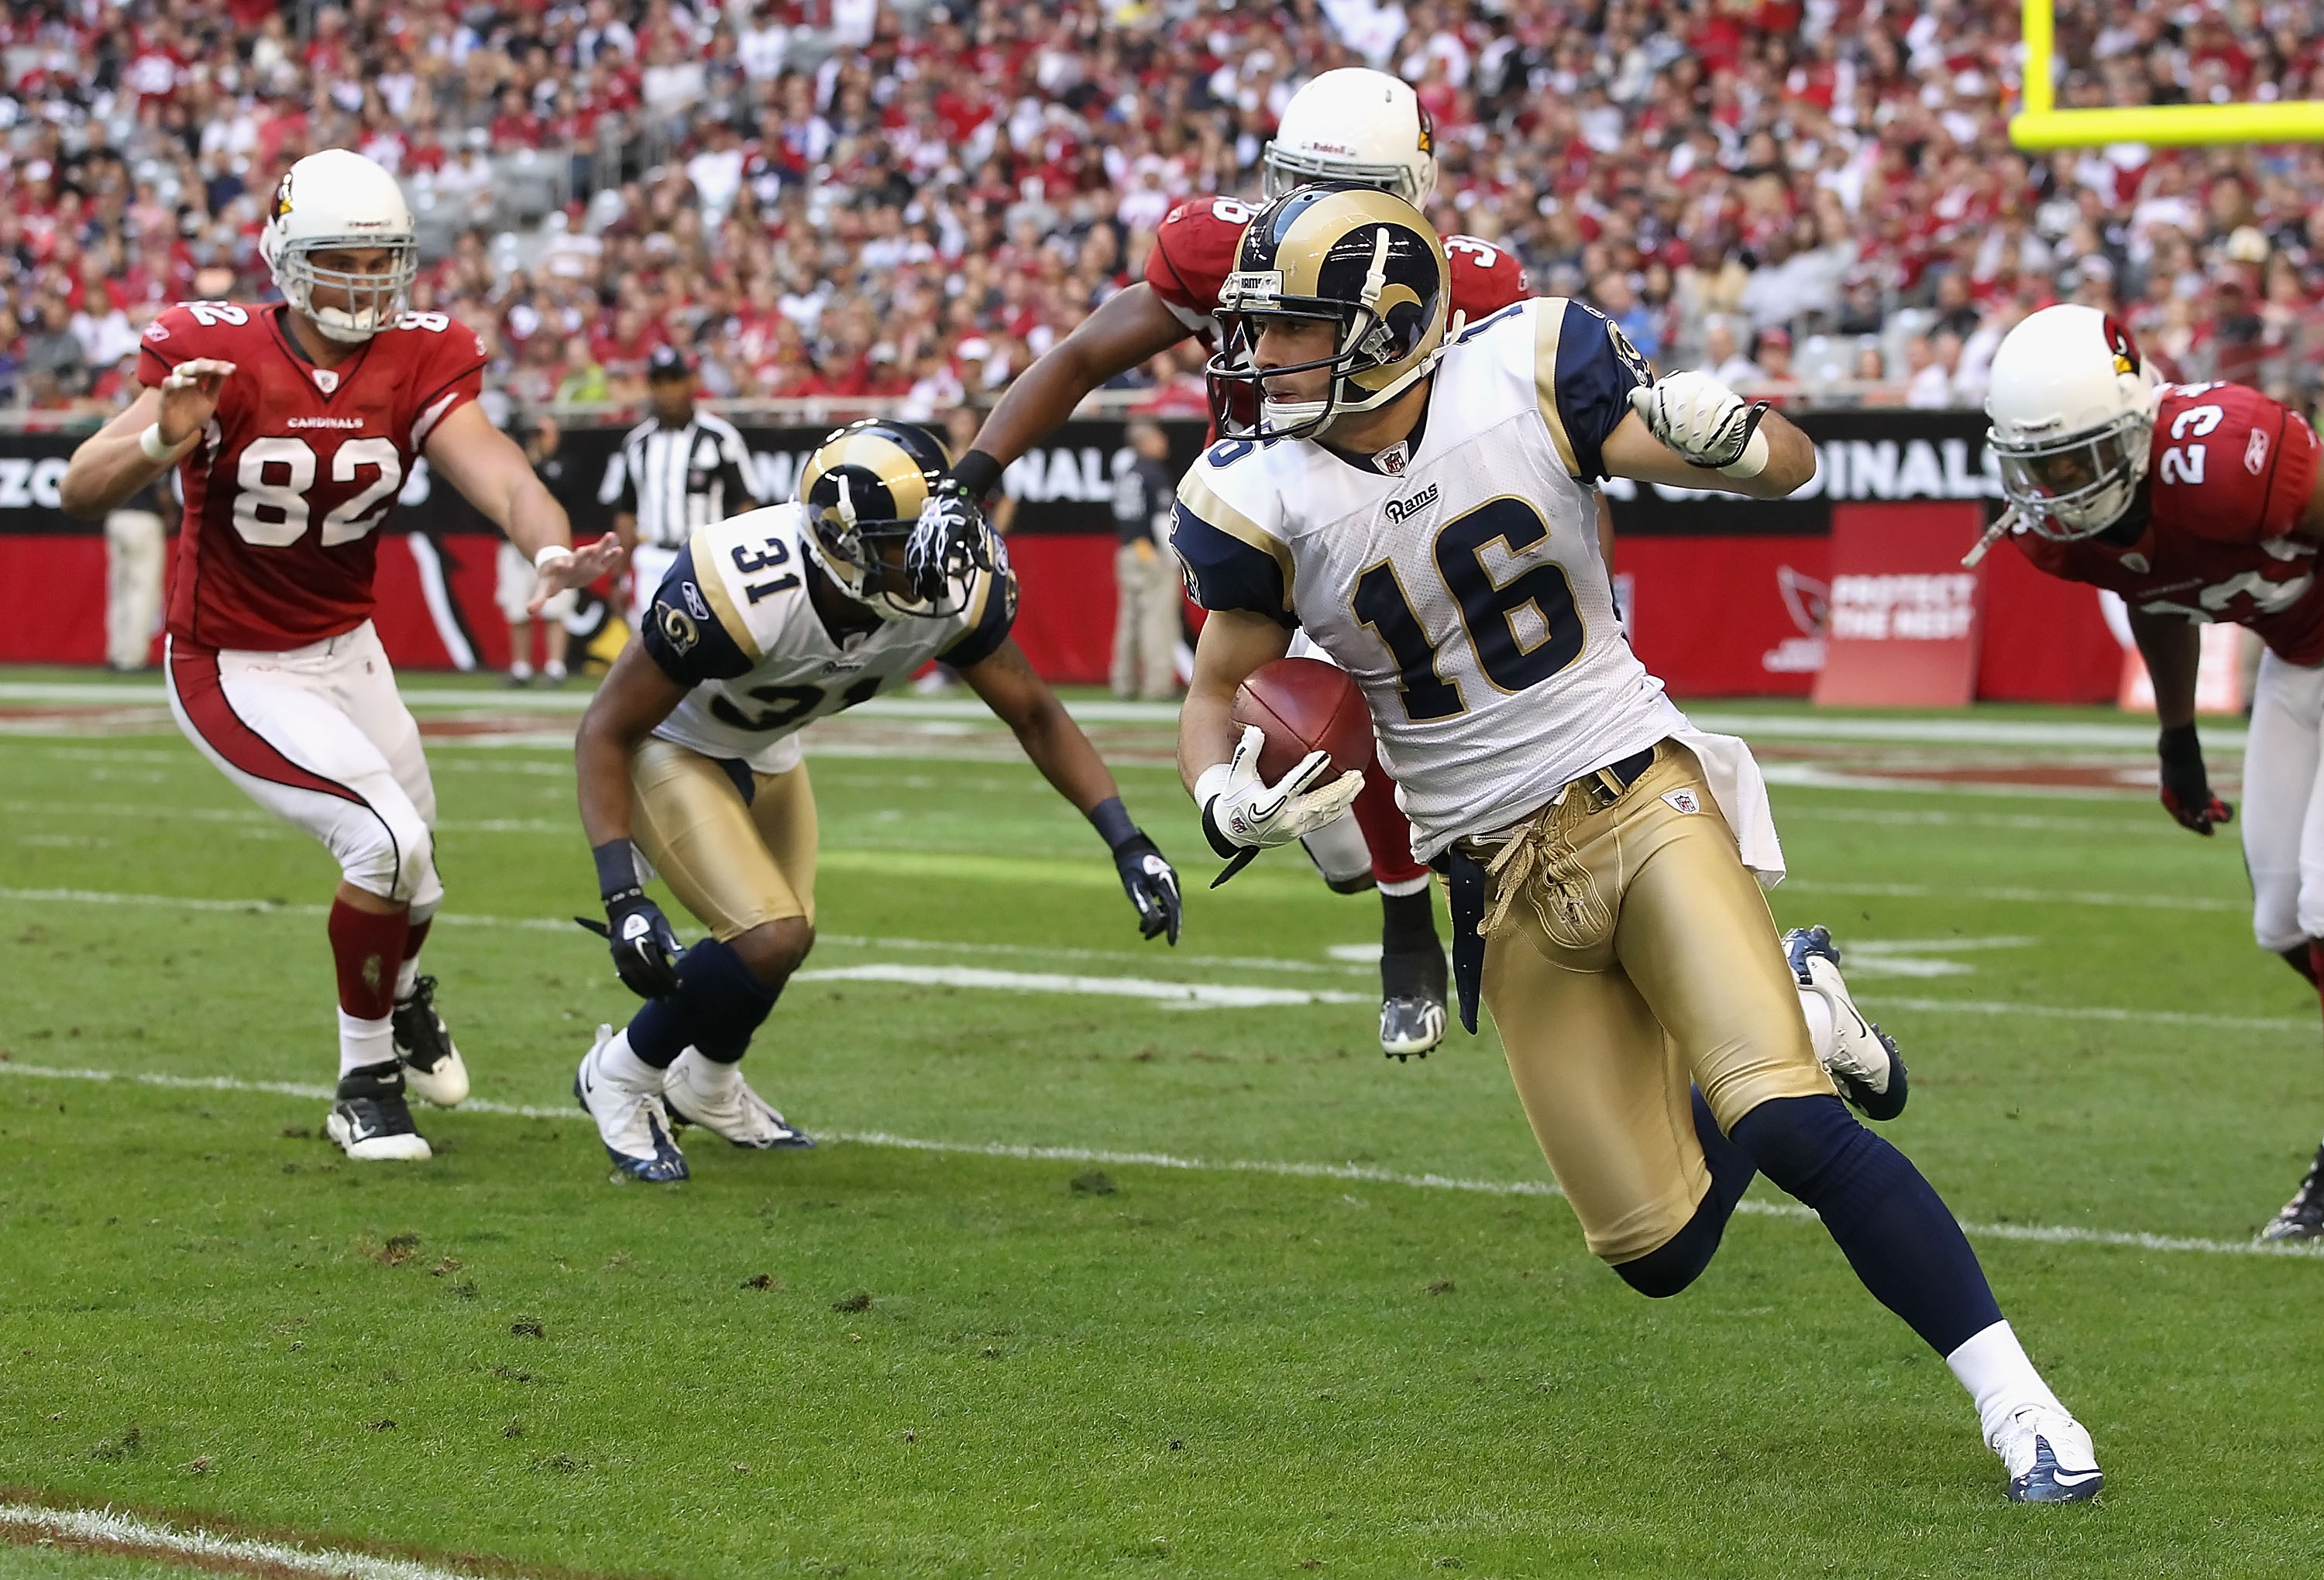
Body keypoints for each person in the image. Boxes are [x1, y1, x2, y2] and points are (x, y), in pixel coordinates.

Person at [1173, 185, 2099, 1503]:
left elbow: (1790, 464)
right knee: (1657, 1250)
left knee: (1781, 1117)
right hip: (1495, 881)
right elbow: (1219, 695)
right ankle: (1805, 994)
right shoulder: (1259, 498)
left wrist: (1736, 439)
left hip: (1634, 790)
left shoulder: (1535, 367)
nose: (1264, 359)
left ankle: (2023, 1407)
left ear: (1386, 324)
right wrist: (1221, 797)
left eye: (1294, 331)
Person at [938, 67, 1532, 1061]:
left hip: (1389, 522)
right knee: (1319, 785)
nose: (1304, 216)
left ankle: (1410, 925)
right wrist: (975, 471)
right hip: (1266, 533)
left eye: (1338, 195)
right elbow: (1084, 355)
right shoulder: (1222, 253)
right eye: (1293, 186)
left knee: (1408, 729)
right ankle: (1389, 891)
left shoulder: (1463, 286)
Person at [58, 149, 623, 1163]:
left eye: (382, 262)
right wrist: (160, 441)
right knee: (385, 846)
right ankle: (363, 1082)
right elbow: (78, 485)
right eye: (341, 261)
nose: (365, 284)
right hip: (235, 662)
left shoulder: (419, 353)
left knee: (424, 873)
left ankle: (402, 997)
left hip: (347, 649)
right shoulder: (214, 350)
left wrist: (547, 543)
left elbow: (497, 470)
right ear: (284, 256)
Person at [570, 420, 1183, 1180]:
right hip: (671, 744)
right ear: (842, 543)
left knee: (783, 943)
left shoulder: (955, 587)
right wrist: (622, 894)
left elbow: (1036, 713)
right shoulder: (743, 583)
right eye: (904, 539)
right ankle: (622, 1072)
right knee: (768, 936)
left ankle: (709, 1081)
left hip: (770, 745)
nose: (933, 557)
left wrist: (1127, 840)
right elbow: (604, 726)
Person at [1986, 304, 2324, 1241]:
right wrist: (2178, 738)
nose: (2055, 484)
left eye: (2074, 458)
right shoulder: (2060, 533)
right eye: (2040, 464)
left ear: (2136, 421)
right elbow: (2155, 591)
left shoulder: (2225, 460)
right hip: (2300, 659)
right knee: (2281, 917)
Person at [599, 344, 766, 633]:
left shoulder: (719, 437)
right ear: (650, 387)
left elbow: (745, 504)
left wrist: (740, 565)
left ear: (689, 382)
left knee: (711, 647)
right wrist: (620, 576)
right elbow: (627, 513)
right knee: (652, 651)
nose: (668, 392)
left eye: (674, 381)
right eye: (660, 383)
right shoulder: (637, 444)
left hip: (705, 558)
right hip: (652, 558)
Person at [498, 414, 578, 685]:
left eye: (544, 432)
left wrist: (538, 463)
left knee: (556, 609)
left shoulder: (565, 464)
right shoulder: (518, 463)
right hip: (516, 546)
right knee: (517, 607)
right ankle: (521, 667)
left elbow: (563, 492)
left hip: (553, 543)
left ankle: (555, 666)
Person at [1110, 420, 1181, 700]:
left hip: (1128, 549)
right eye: (1157, 436)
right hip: (1151, 553)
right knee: (1158, 620)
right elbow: (1162, 520)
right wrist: (1174, 557)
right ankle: (1158, 684)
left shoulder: (1128, 473)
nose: (1163, 440)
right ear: (1144, 441)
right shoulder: (1153, 473)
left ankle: (1123, 681)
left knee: (1129, 621)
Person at [104, 471, 177, 671]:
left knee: (120, 589)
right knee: (142, 591)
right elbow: (162, 492)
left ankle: (116, 652)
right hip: (144, 519)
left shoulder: (120, 445)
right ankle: (132, 658)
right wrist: (171, 513)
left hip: (117, 516)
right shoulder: (154, 448)